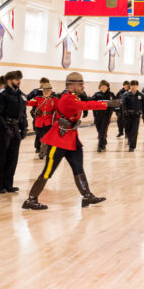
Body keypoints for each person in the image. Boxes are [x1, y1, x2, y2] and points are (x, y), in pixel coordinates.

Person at [21, 72, 120, 210]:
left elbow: (83, 104)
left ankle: (87, 196)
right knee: (48, 170)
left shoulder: (74, 97)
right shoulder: (68, 98)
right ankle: (31, 199)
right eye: (80, 84)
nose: (83, 86)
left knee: (78, 168)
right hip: (59, 140)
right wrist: (107, 103)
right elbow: (86, 106)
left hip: (71, 139)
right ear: (71, 86)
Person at [0, 70, 25, 194]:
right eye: (17, 79)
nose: (19, 82)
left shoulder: (20, 95)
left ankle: (8, 184)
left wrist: (23, 128)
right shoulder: (1, 94)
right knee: (0, 157)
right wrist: (5, 128)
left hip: (15, 128)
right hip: (2, 128)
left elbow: (22, 114)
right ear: (9, 80)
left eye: (20, 79)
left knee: (13, 157)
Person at [27, 80, 56, 158]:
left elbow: (60, 108)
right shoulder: (38, 99)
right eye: (44, 90)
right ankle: (44, 148)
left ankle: (43, 151)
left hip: (49, 122)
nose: (46, 92)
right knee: (41, 138)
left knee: (46, 138)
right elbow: (29, 103)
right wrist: (20, 101)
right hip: (39, 122)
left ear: (51, 91)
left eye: (48, 90)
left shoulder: (54, 100)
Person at [121, 79, 143, 152]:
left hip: (136, 116)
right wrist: (124, 111)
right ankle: (130, 140)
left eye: (135, 86)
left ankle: (132, 146)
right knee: (127, 130)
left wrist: (143, 113)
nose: (133, 87)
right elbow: (123, 103)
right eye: (132, 85)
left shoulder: (140, 95)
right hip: (127, 115)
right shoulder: (126, 94)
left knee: (134, 130)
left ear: (137, 86)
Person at [91, 80, 113, 152]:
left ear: (107, 87)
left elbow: (115, 104)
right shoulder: (96, 94)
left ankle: (100, 146)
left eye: (104, 86)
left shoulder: (111, 95)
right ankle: (104, 141)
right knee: (99, 129)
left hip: (106, 115)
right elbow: (91, 101)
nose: (102, 87)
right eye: (101, 86)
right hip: (97, 115)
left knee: (103, 130)